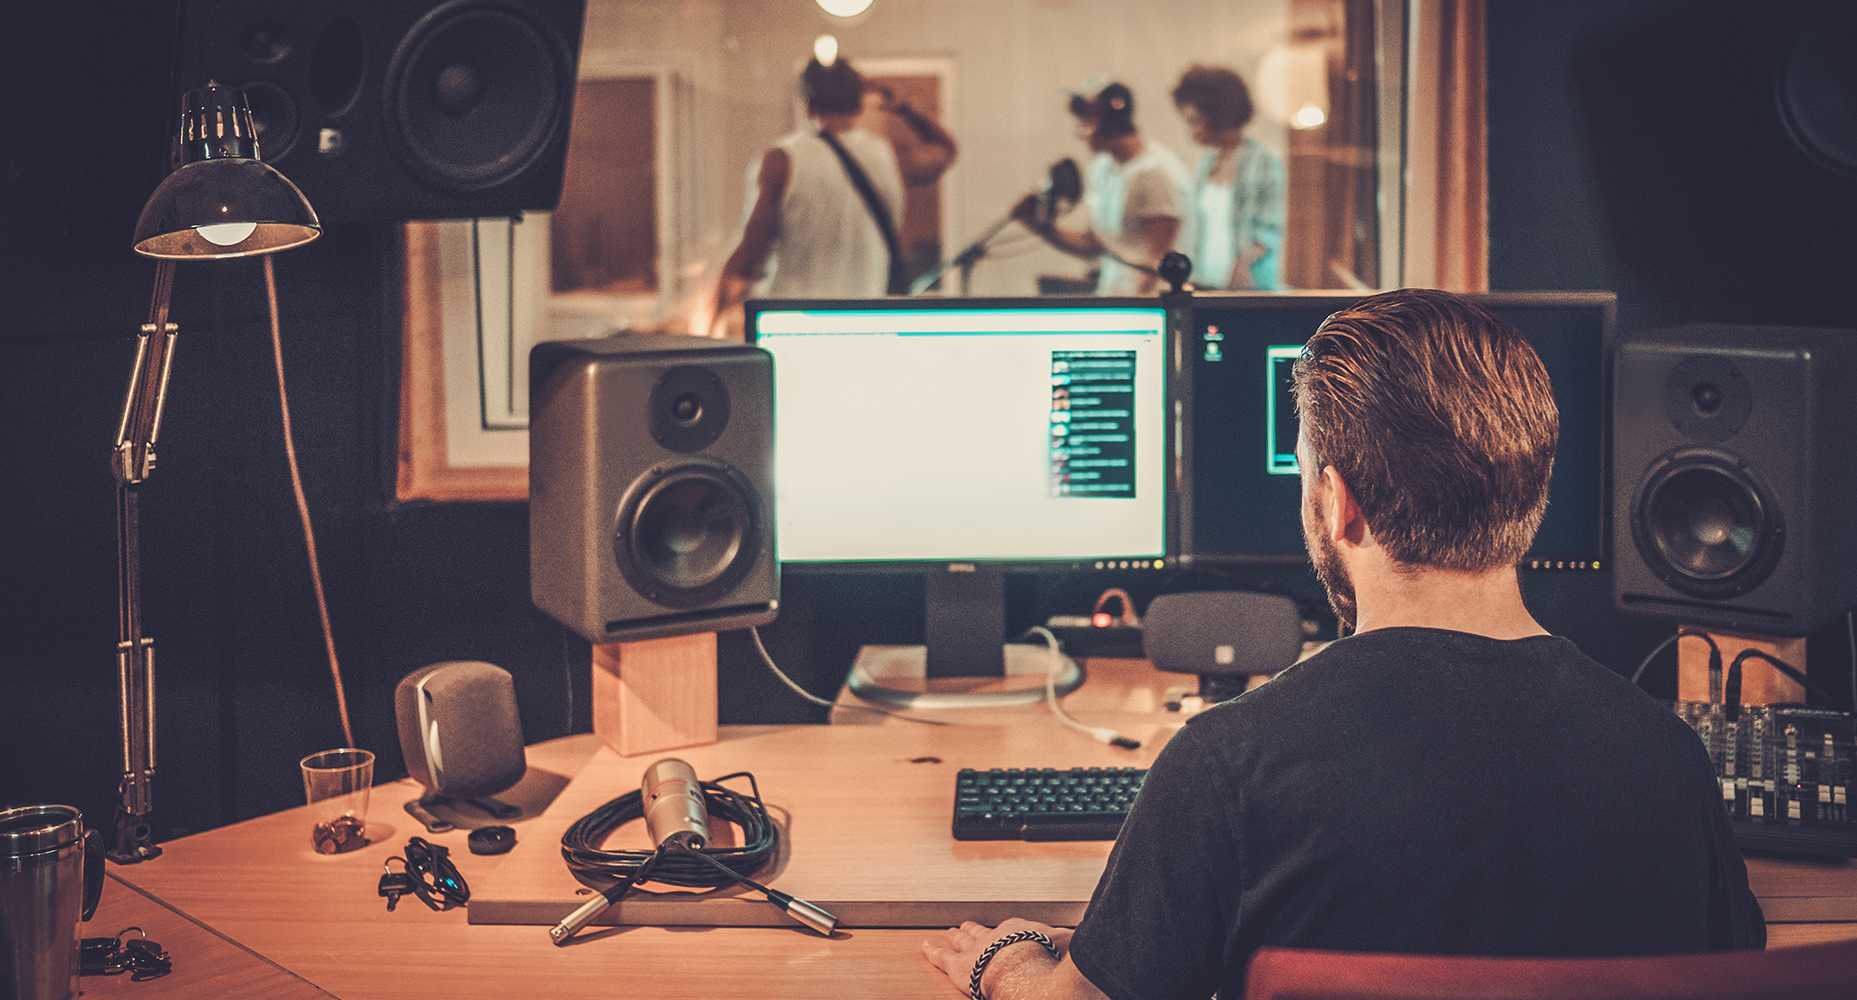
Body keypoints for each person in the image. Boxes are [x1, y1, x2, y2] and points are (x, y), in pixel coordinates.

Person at [922, 290, 1764, 1000]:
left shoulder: (1228, 766)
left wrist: (1010, 964)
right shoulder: (1666, 759)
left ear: (1337, 503)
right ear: (1531, 495)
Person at [712, 55, 957, 326]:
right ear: (859, 104)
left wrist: (718, 306)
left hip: (792, 318)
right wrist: (903, 106)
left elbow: (752, 250)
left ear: (807, 104)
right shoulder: (889, 159)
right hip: (866, 317)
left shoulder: (781, 160)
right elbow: (946, 150)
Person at [1013, 82, 1191, 295]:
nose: (1082, 130)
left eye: (1087, 120)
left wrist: (1142, 311)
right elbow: (1095, 245)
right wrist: (1041, 227)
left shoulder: (1155, 172)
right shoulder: (1102, 169)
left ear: (1110, 122)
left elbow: (1159, 259)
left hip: (1148, 304)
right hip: (1112, 295)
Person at [1172, 65, 1285, 290]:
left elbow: (1270, 229)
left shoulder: (1264, 161)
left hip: (1249, 284)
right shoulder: (1207, 162)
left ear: (1217, 116)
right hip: (1205, 281)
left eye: (1194, 121)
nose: (1190, 130)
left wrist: (1243, 264)